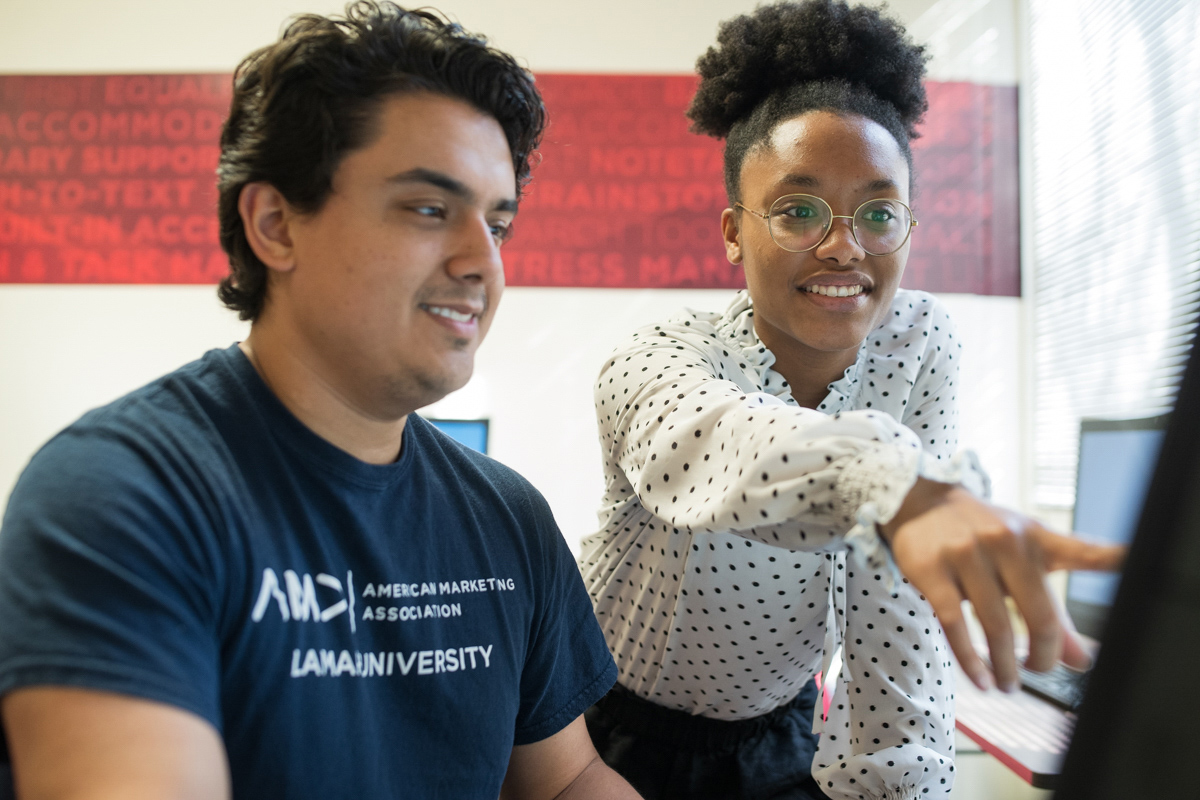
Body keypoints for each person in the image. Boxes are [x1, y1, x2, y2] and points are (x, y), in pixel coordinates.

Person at [0, 4, 640, 798]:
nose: (484, 262)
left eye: (498, 223)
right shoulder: (122, 495)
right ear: (274, 224)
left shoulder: (507, 518)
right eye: (429, 209)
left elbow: (566, 779)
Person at [578, 2, 1122, 799]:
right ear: (734, 230)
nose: (844, 245)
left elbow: (894, 604)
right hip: (605, 733)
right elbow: (715, 445)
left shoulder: (919, 343)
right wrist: (900, 485)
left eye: (878, 213)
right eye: (798, 210)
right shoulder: (663, 358)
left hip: (781, 727)